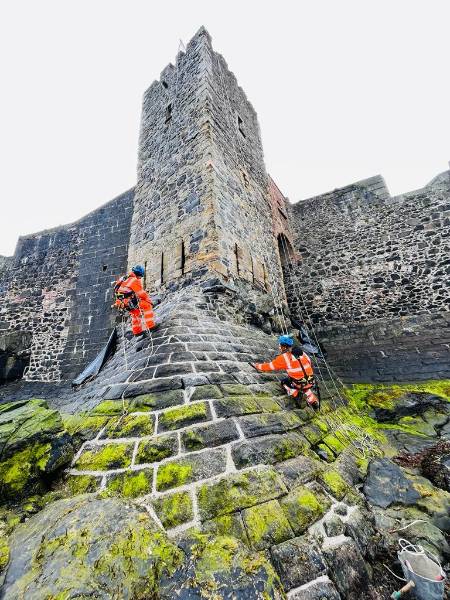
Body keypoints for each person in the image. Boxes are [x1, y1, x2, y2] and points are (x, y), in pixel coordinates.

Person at [252, 335, 320, 410]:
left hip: (298, 383)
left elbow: (270, 366)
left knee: (284, 382)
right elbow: (309, 363)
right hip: (310, 381)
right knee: (305, 387)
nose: (279, 347)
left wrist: (257, 366)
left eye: (280, 345)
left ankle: (296, 394)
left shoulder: (284, 358)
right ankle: (313, 401)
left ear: (284, 347)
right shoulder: (303, 354)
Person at [114, 265, 155, 337]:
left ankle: (137, 332)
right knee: (147, 305)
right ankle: (150, 326)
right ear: (139, 274)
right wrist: (149, 301)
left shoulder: (124, 278)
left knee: (135, 312)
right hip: (127, 301)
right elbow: (142, 294)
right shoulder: (134, 280)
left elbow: (117, 289)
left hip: (121, 303)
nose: (140, 278)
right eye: (141, 276)